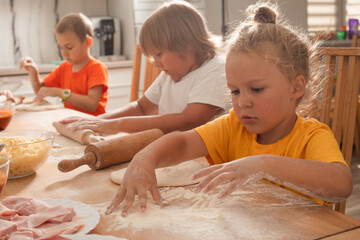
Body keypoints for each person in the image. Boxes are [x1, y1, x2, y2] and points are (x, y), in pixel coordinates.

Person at [105, 3, 353, 217]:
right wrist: (144, 159)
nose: (242, 102)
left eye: (256, 89)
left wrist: (262, 164)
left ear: (296, 87)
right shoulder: (233, 125)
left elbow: (341, 184)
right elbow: (182, 143)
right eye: (234, 91)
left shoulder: (311, 136)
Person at [60, 1, 229, 134]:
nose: (156, 63)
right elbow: (141, 107)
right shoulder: (171, 74)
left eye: (159, 54)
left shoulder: (216, 69)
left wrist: (116, 125)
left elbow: (188, 121)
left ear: (185, 45)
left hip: (205, 161)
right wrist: (100, 120)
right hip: (177, 152)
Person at [19, 13, 108, 116]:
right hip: (72, 123)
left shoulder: (97, 68)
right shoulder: (64, 67)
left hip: (94, 126)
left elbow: (91, 104)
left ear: (87, 42)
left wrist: (60, 93)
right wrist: (33, 72)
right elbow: (41, 90)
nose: (64, 53)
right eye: (61, 47)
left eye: (69, 47)